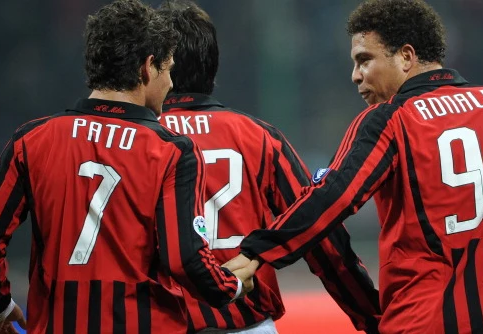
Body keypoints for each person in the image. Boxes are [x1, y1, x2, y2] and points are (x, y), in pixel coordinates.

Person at [226, 0, 483, 333]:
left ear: (406, 56)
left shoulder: (391, 119)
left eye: (364, 60)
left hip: (424, 321)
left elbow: (332, 198)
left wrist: (259, 251)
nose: (355, 76)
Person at [0, 1, 256, 333]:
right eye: (167, 69)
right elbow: (187, 260)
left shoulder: (32, 140)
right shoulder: (171, 151)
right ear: (147, 68)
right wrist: (232, 286)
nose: (169, 83)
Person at [157, 1, 381, 333]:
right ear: (213, 66)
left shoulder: (136, 142)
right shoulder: (259, 137)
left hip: (163, 321)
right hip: (247, 323)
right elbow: (320, 235)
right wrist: (370, 317)